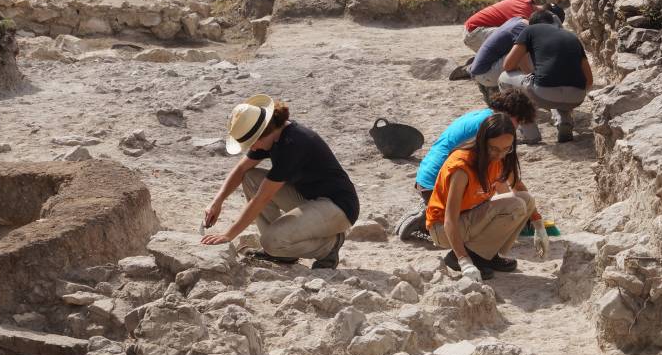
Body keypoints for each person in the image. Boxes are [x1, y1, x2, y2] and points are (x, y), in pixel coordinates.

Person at [201, 95, 359, 270]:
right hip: (309, 199)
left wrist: (228, 235)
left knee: (270, 242)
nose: (252, 148)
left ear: (263, 132)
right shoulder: (273, 136)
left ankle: (329, 247)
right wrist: (217, 202)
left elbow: (261, 198)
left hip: (337, 207)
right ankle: (284, 253)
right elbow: (241, 170)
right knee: (250, 177)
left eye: (252, 143)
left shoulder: (293, 143)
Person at [396, 91, 549, 259]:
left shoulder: (486, 119)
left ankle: (431, 213)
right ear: (509, 114)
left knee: (510, 203)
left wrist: (532, 218)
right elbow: (499, 181)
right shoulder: (489, 131)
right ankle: (433, 225)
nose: (516, 127)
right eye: (517, 121)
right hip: (438, 183)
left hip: (427, 179)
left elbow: (503, 179)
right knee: (487, 210)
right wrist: (510, 215)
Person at [425, 113, 544, 282]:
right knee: (514, 205)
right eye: (494, 149)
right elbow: (449, 220)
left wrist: (539, 225)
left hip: (470, 217)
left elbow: (519, 187)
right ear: (482, 142)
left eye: (506, 149)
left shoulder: (500, 157)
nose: (499, 155)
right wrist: (464, 261)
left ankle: (488, 255)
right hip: (443, 229)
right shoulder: (462, 167)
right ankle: (466, 257)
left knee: (525, 200)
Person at [498, 9, 593, 143]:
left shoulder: (529, 31)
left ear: (531, 24)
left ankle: (530, 134)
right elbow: (589, 80)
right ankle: (564, 121)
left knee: (504, 78)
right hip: (576, 97)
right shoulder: (571, 36)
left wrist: (530, 75)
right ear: (552, 22)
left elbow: (508, 65)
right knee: (558, 80)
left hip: (544, 93)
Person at [463, 0, 565, 52]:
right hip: (474, 34)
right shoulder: (524, 17)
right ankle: (472, 68)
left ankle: (483, 57)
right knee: (520, 44)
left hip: (474, 28)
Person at [469, 16, 533, 103]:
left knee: (521, 52)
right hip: (485, 74)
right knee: (527, 54)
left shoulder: (517, 20)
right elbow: (516, 63)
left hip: (480, 69)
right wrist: (533, 81)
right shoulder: (524, 31)